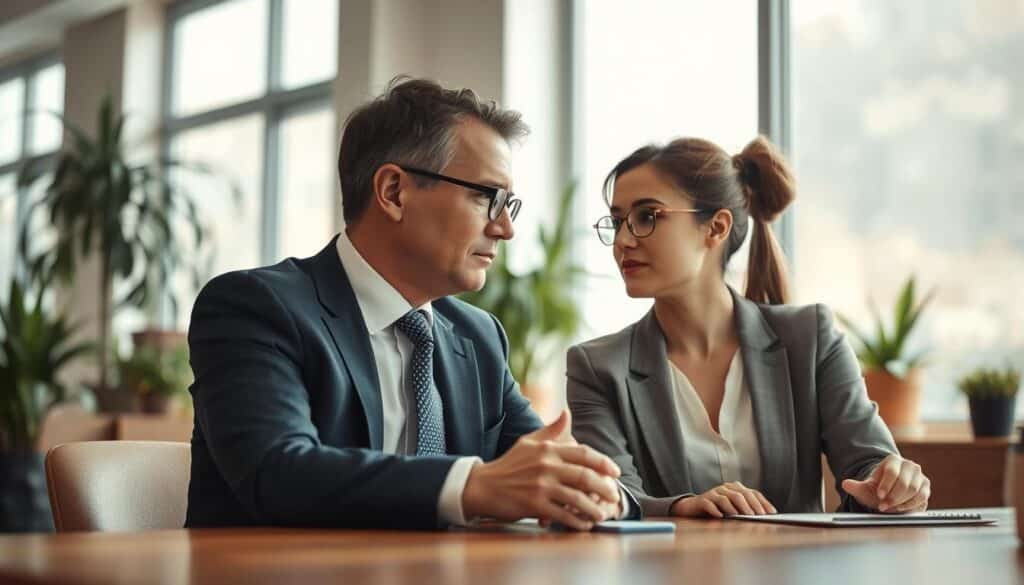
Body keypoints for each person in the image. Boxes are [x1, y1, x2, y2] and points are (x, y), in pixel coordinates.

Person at [185, 77, 635, 530]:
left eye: (509, 205)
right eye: (487, 197)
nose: (504, 228)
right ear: (394, 192)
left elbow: (543, 471)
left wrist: (602, 491)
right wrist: (472, 485)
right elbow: (277, 473)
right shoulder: (256, 307)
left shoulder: (479, 338)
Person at [567, 135, 931, 518]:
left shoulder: (812, 337)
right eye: (618, 221)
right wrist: (685, 506)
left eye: (647, 217)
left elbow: (867, 464)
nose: (623, 240)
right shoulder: (597, 366)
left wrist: (891, 485)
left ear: (716, 227)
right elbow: (613, 497)